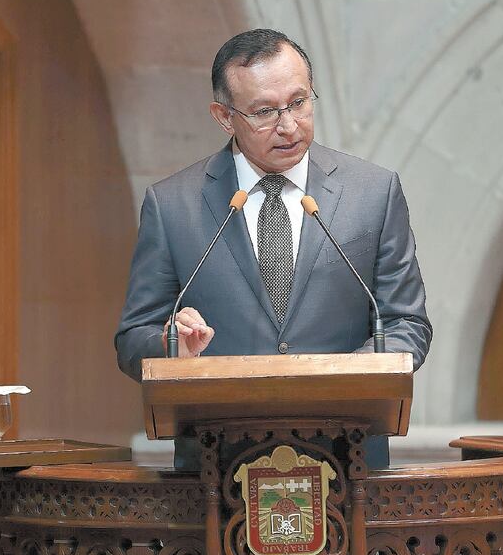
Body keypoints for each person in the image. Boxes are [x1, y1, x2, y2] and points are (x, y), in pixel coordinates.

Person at [115, 29, 431, 468]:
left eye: (299, 102)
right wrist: (172, 347)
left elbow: (407, 324)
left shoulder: (373, 193)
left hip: (348, 462)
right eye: (264, 112)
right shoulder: (173, 206)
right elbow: (132, 339)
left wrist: (345, 378)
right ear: (224, 117)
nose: (289, 125)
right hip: (217, 468)